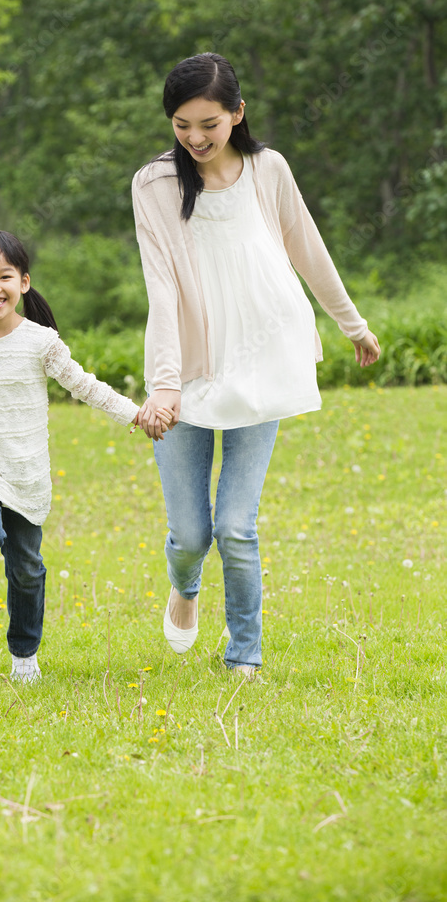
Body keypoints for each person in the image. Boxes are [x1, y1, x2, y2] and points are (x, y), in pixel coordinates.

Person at [132, 52, 380, 680]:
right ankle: (183, 589)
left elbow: (308, 247)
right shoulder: (154, 184)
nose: (194, 137)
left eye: (208, 124)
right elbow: (161, 288)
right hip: (187, 369)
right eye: (181, 124)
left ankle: (244, 654)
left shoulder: (268, 169)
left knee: (237, 528)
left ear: (238, 114)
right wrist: (163, 385)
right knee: (192, 534)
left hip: (264, 356)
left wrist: (351, 323)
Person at [0, 230, 167, 683]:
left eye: (4, 275)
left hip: (25, 472)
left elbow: (84, 385)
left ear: (23, 282)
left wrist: (136, 414)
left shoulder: (41, 341)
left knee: (27, 569)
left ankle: (24, 653)